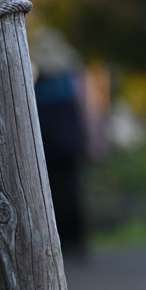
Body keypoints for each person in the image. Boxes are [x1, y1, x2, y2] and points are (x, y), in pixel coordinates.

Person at [32, 27, 89, 260]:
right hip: (63, 147)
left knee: (63, 194)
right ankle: (72, 242)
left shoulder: (40, 86)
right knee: (65, 194)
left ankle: (72, 241)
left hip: (57, 147)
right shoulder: (66, 83)